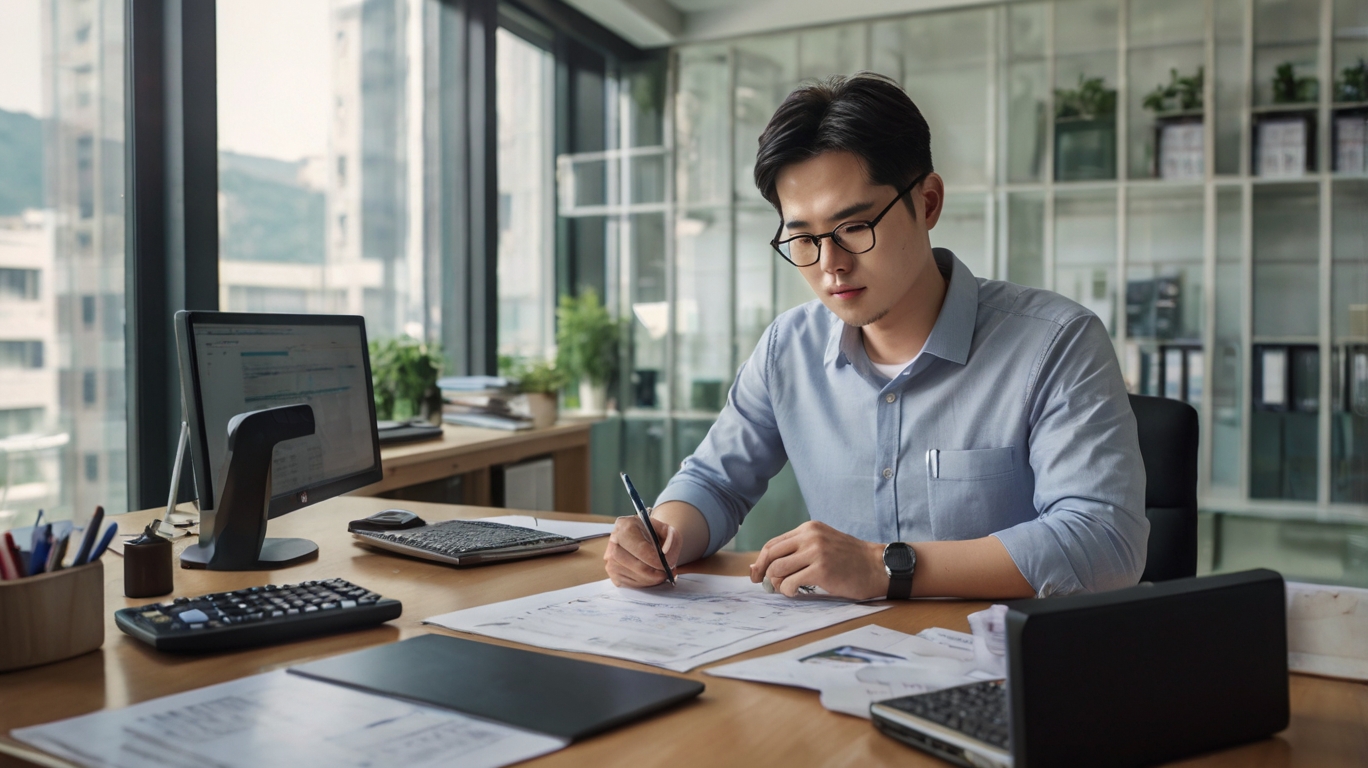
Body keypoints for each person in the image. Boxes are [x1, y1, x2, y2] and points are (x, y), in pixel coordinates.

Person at [604, 73, 1147, 601]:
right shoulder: (787, 348)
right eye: (802, 239)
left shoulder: (1056, 344)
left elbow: (1103, 542)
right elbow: (715, 483)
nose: (831, 265)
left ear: (928, 203)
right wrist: (660, 537)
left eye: (855, 228)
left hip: (1001, 662)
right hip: (834, 657)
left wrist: (882, 565)